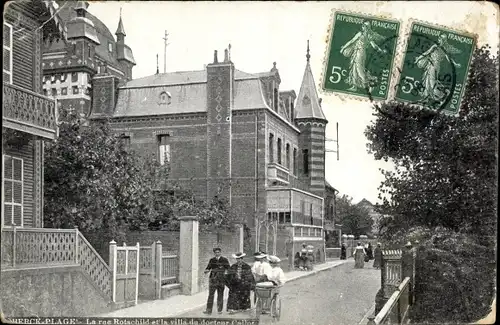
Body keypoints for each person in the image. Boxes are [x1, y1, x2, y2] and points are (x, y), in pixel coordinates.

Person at [414, 33, 462, 106]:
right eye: (439, 38)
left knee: (432, 83)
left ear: (444, 40)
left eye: (441, 39)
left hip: (434, 66)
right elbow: (427, 53)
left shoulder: (437, 47)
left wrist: (418, 59)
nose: (439, 40)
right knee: (427, 81)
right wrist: (455, 64)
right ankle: (426, 98)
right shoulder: (441, 47)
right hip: (433, 65)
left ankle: (443, 95)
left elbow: (427, 53)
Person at [340, 20, 387, 92]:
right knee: (354, 69)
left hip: (360, 53)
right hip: (358, 52)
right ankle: (354, 86)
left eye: (365, 26)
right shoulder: (366, 35)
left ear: (367, 27)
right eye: (363, 25)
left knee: (359, 70)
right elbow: (352, 41)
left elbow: (373, 46)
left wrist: (343, 48)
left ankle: (370, 83)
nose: (363, 27)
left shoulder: (364, 35)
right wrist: (381, 51)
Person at [203, 247, 230, 315]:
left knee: (220, 295)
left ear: (220, 252)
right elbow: (208, 268)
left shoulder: (224, 260)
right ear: (214, 253)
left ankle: (219, 310)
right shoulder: (212, 260)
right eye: (216, 253)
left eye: (218, 252)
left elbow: (228, 269)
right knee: (211, 295)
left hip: (221, 280)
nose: (217, 254)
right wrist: (206, 271)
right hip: (213, 280)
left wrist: (225, 273)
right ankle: (208, 310)